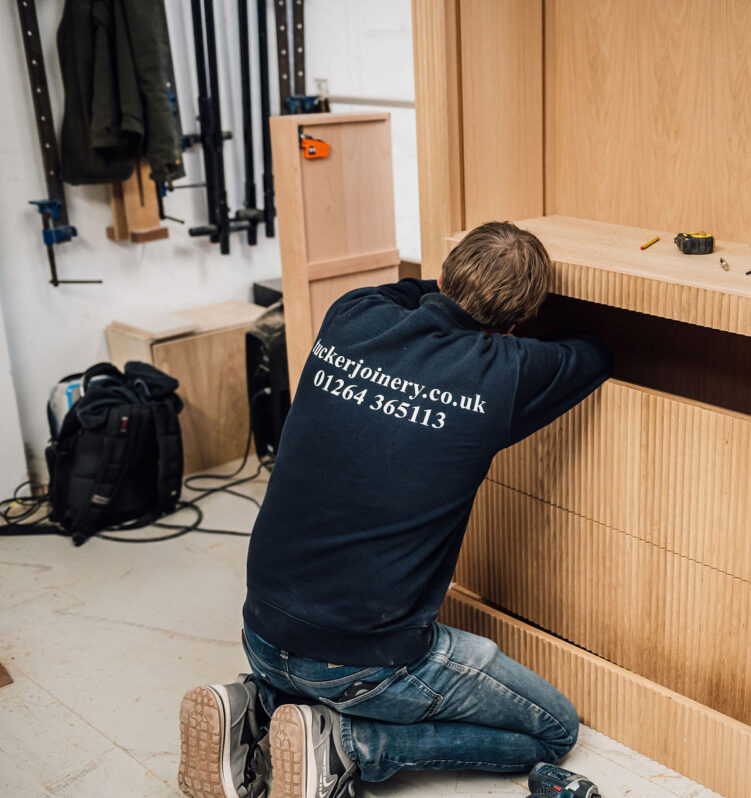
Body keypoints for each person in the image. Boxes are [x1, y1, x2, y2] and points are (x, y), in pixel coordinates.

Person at [177, 221, 613, 798]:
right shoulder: (504, 373)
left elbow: (405, 295)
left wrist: (445, 294)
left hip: (261, 630)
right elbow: (594, 353)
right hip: (360, 664)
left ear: (440, 275)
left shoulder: (351, 315)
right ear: (514, 326)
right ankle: (348, 744)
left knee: (308, 660)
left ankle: (257, 705)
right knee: (555, 731)